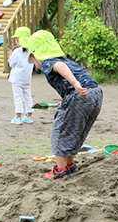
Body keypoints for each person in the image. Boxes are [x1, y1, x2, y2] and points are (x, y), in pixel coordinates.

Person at [27, 30, 103, 179]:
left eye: (32, 58)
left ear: (36, 55)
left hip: (80, 94)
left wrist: (75, 84)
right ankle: (69, 165)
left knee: (61, 130)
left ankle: (61, 169)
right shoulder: (69, 61)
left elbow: (59, 66)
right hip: (95, 94)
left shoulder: (49, 61)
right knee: (75, 130)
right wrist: (68, 98)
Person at [8, 27, 34, 125]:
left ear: (18, 40)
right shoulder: (31, 51)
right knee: (28, 96)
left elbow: (11, 63)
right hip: (27, 78)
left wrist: (10, 54)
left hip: (17, 78)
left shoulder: (17, 52)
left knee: (18, 97)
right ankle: (29, 115)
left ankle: (18, 116)